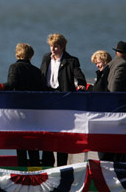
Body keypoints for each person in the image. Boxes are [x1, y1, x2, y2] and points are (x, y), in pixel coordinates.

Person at [0, 43, 45, 166]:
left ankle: (23, 170)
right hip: (34, 111)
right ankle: (35, 171)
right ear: (30, 55)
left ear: (18, 54)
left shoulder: (14, 67)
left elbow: (12, 83)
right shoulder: (37, 71)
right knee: (33, 145)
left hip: (19, 111)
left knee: (21, 144)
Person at [40, 33, 87, 166]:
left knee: (62, 134)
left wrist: (81, 83)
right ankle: (47, 164)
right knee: (47, 133)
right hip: (48, 98)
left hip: (63, 99)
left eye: (56, 47)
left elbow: (79, 74)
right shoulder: (46, 58)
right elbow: (41, 75)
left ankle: (61, 165)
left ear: (62, 47)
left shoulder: (71, 60)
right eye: (51, 46)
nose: (53, 49)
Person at [99, 41, 126, 162]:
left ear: (116, 52)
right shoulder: (123, 64)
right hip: (116, 106)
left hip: (105, 105)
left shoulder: (110, 63)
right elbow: (115, 85)